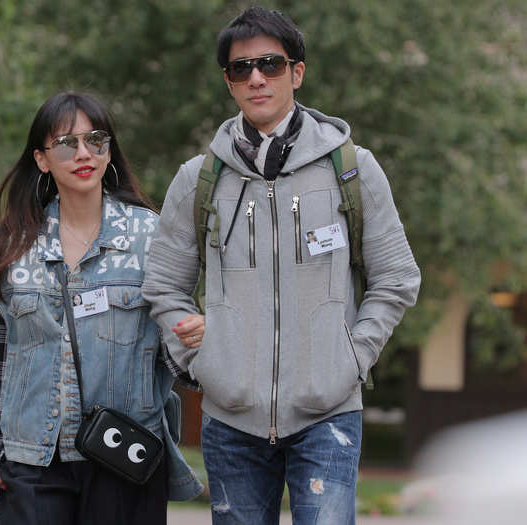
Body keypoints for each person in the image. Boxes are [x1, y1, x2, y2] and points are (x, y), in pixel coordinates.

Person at [142, 7, 420, 525]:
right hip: (230, 419)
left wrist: (352, 358)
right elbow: (163, 286)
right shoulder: (198, 179)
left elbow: (398, 278)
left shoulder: (352, 169)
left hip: (329, 414)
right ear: (228, 82)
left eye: (269, 64)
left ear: (297, 72)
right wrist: (202, 362)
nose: (255, 78)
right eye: (239, 68)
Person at [0, 92, 202, 525]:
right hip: (30, 460)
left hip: (122, 455)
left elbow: (175, 355)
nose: (83, 153)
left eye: (95, 140)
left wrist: (196, 341)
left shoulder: (149, 237)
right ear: (42, 159)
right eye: (66, 143)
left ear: (109, 151)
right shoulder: (13, 245)